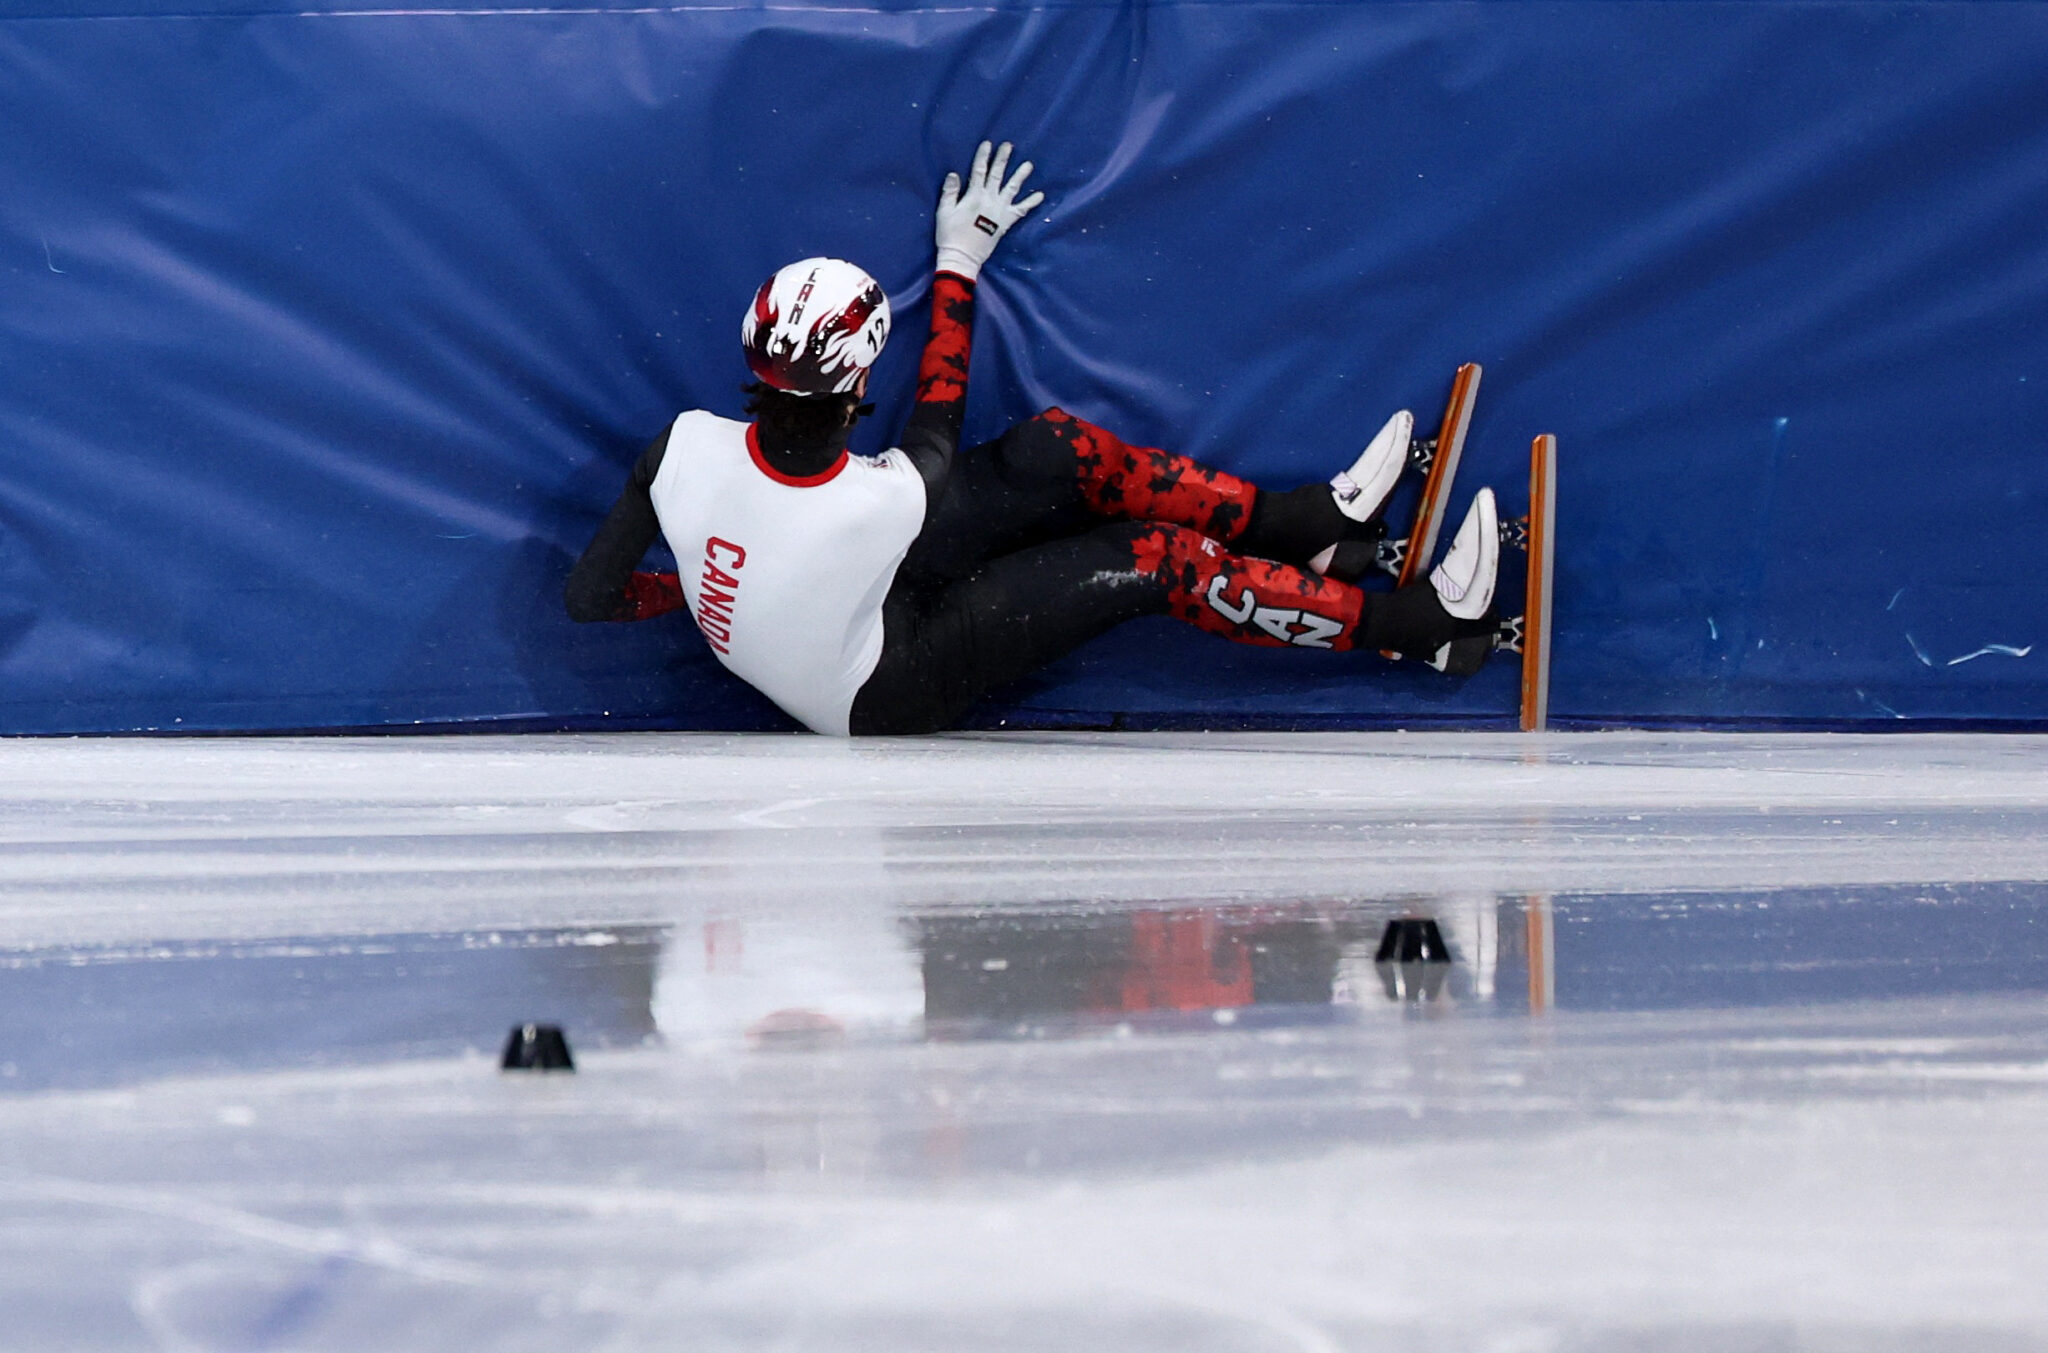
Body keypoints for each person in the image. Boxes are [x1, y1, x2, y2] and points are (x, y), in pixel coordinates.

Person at [565, 141, 1504, 735]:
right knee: (1155, 561)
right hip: (886, 683)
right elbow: (938, 408)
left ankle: (1299, 522)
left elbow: (587, 597)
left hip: (846, 572)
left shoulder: (681, 447)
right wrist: (959, 264)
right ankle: (1420, 630)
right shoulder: (875, 497)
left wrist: (701, 591)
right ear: (858, 380)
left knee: (1053, 451)